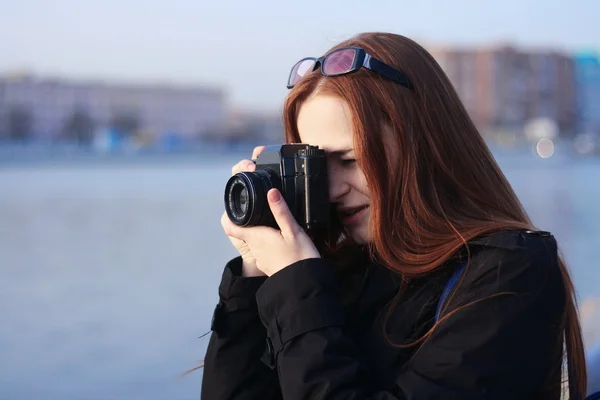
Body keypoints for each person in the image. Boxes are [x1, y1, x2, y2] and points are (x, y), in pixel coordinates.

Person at [201, 32, 588, 399]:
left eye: (350, 160)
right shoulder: (333, 271)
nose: (332, 189)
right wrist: (255, 275)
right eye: (317, 166)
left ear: (424, 144)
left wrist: (297, 288)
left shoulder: (509, 273)